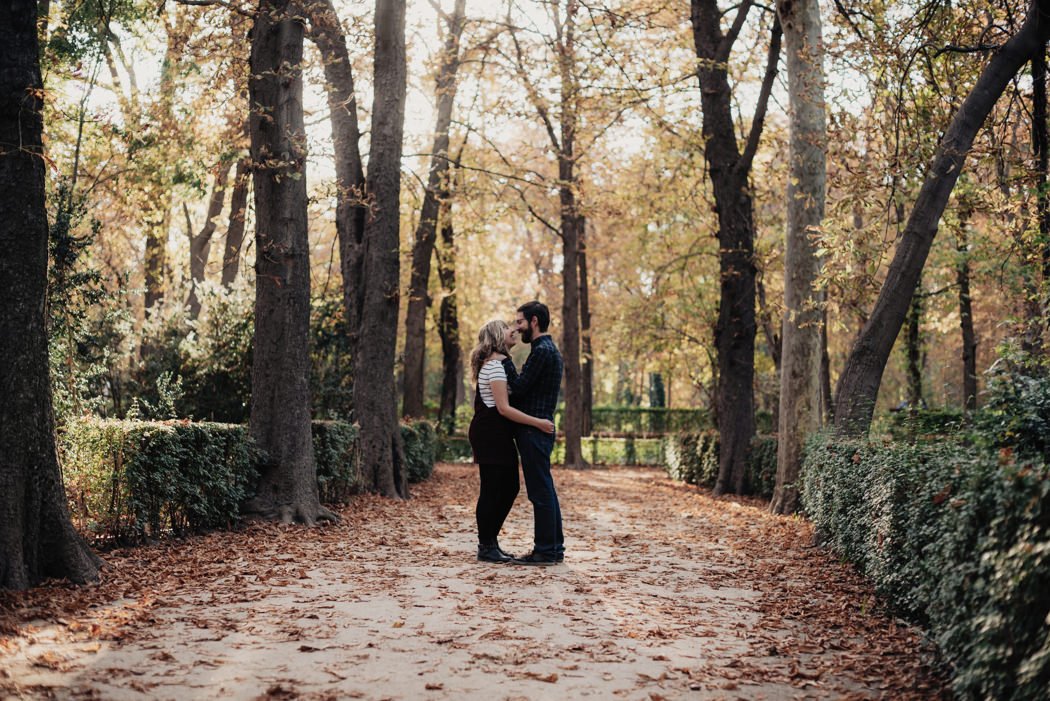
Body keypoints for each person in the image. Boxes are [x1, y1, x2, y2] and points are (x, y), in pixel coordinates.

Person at [468, 319, 555, 564]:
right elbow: (504, 409)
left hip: (497, 433)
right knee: (493, 489)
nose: (514, 330)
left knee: (507, 487)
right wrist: (538, 422)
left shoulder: (497, 364)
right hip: (490, 434)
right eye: (508, 328)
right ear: (498, 336)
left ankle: (490, 542)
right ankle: (486, 545)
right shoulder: (495, 366)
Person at [500, 301, 565, 566]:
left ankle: (546, 551)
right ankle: (554, 548)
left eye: (520, 322)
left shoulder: (542, 352)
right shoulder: (548, 350)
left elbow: (519, 388)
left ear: (534, 321)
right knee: (545, 490)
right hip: (538, 428)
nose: (517, 327)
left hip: (534, 430)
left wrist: (503, 357)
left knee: (540, 492)